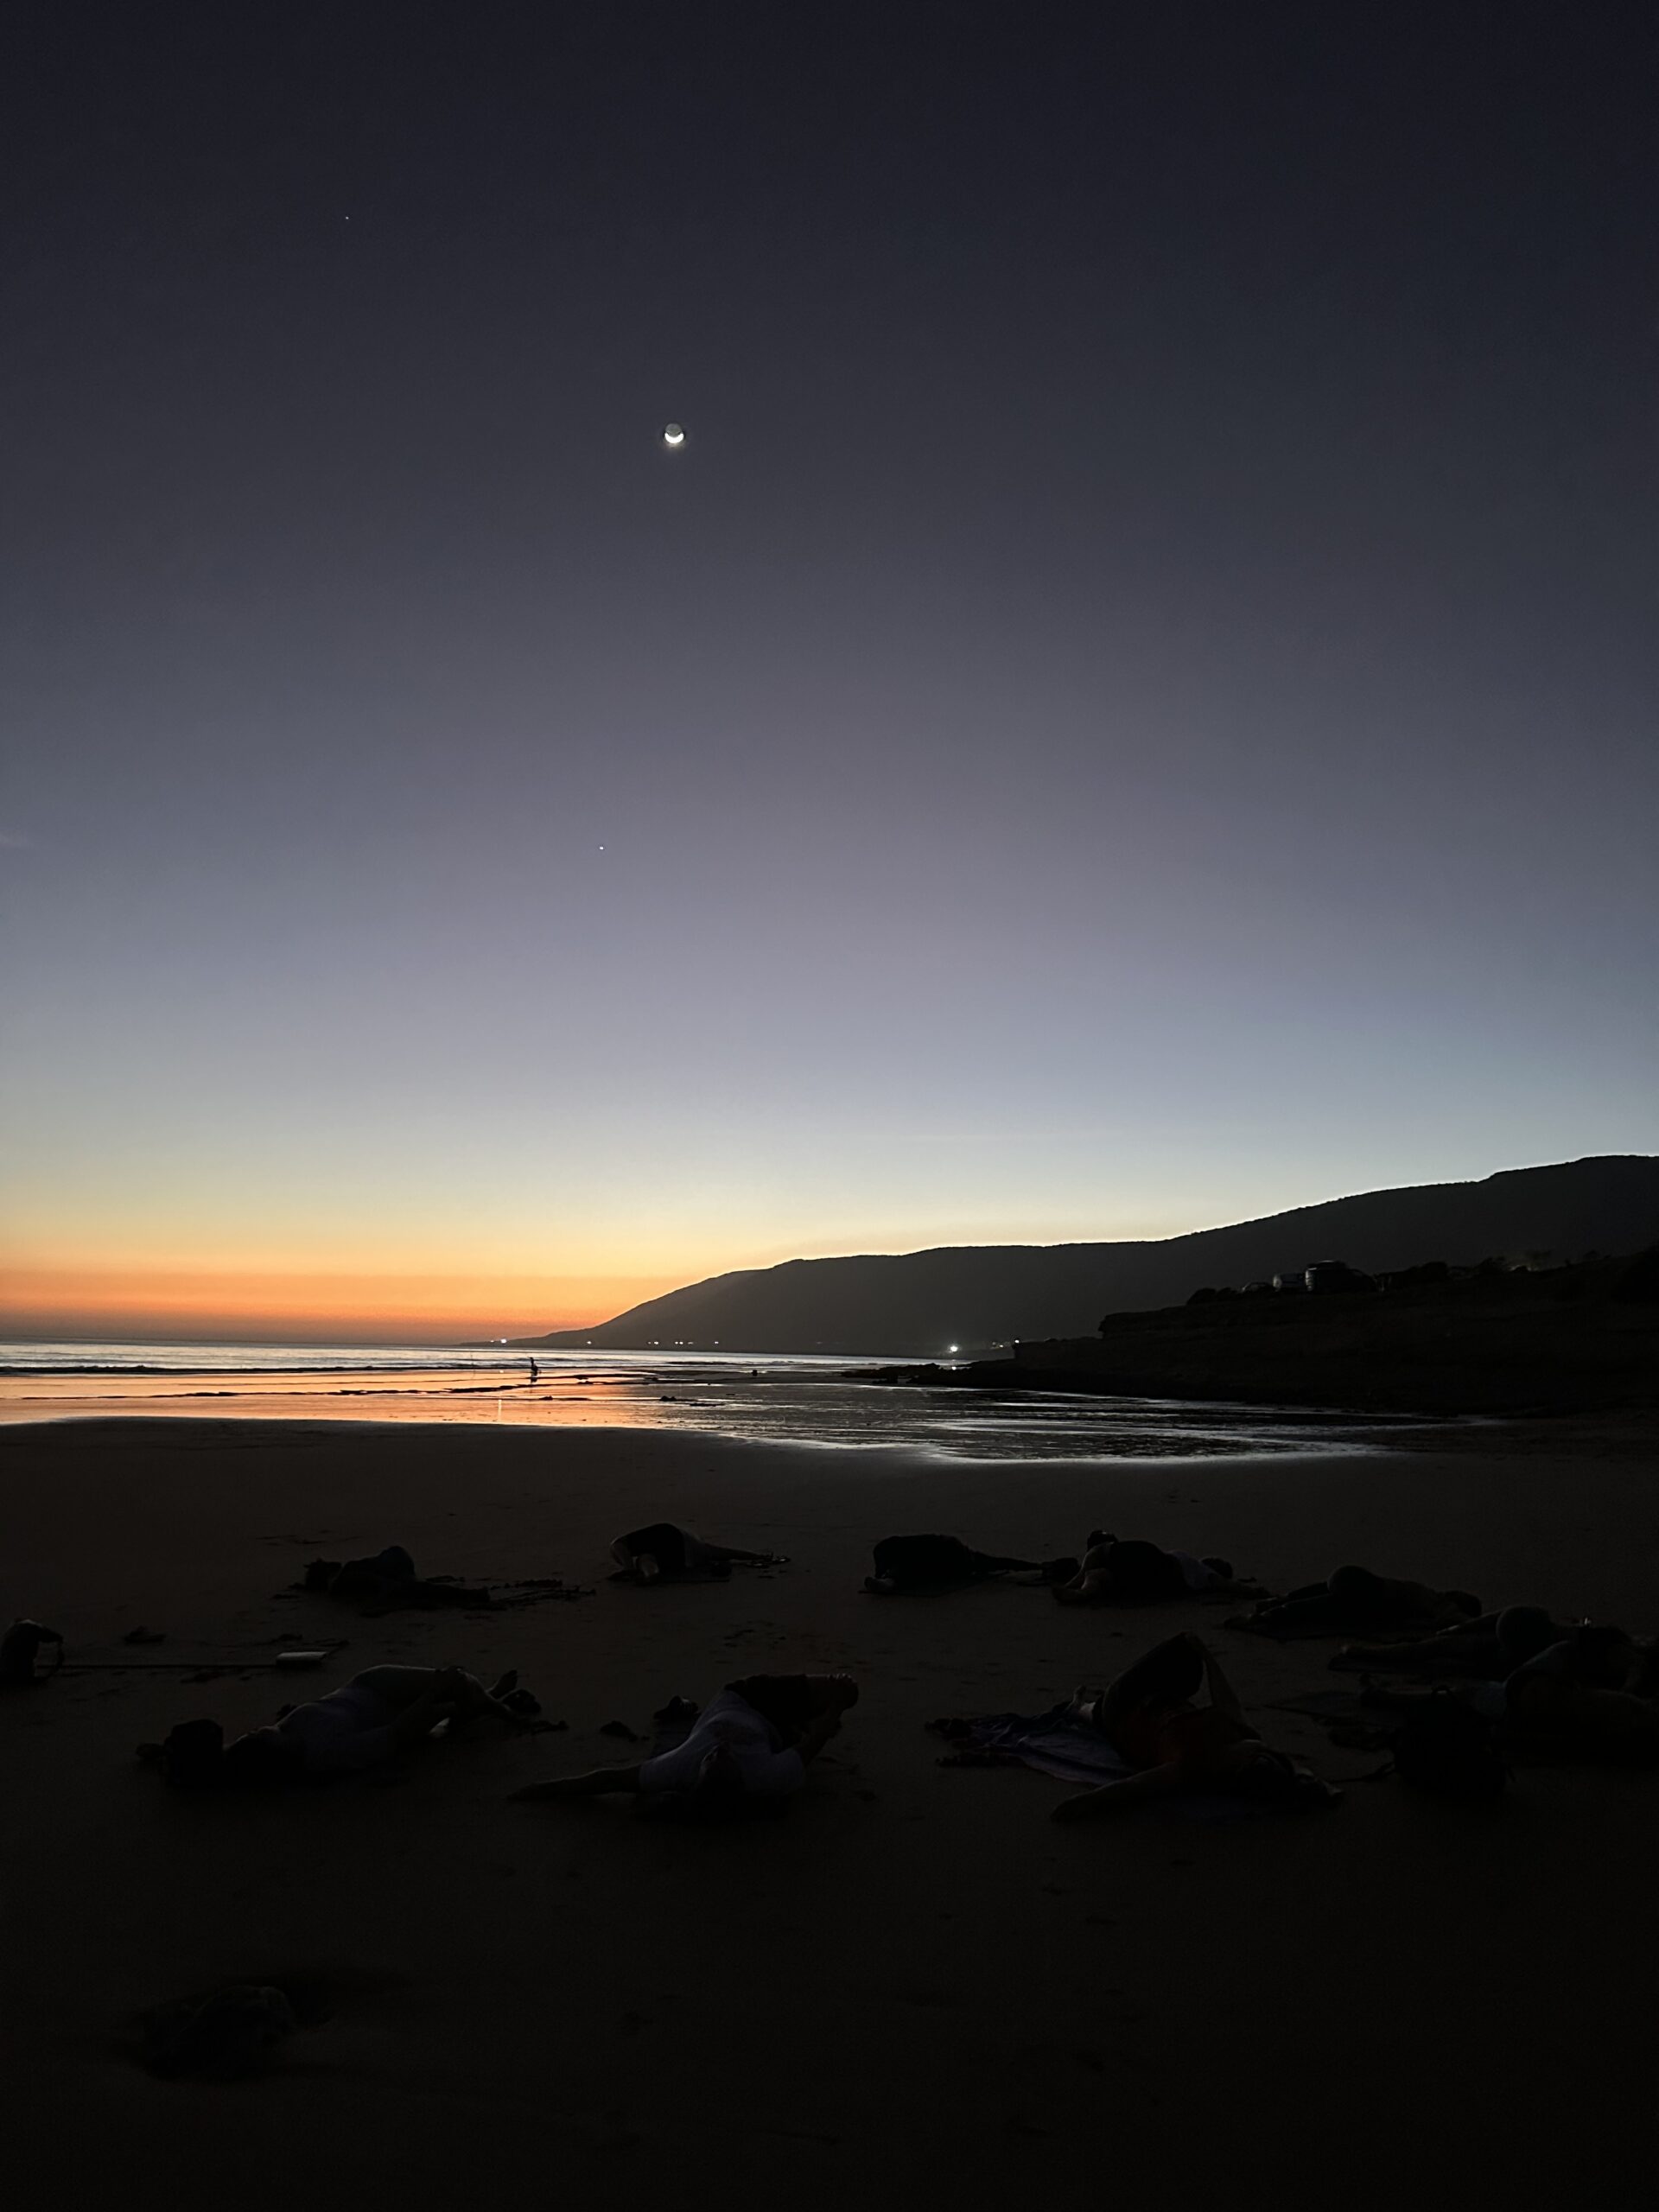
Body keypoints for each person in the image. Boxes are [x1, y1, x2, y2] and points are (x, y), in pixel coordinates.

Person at [1052, 1634, 1338, 1819]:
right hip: (1163, 1698)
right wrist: (1208, 1656)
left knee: (1182, 1649)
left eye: (1254, 1754)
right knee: (1189, 1660)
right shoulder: (1245, 1738)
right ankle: (1080, 1707)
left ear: (1239, 1765)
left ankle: (1080, 1708)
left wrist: (1078, 1806)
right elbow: (1226, 1697)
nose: (1257, 1748)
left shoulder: (1190, 1766)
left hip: (1123, 1707)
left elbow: (1129, 1788)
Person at [147, 1664, 539, 1787]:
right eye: (257, 1736)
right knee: (455, 1690)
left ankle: (488, 1699)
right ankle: (501, 1708)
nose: (254, 1730)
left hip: (366, 1687)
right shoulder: (325, 1754)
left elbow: (220, 1758)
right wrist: (430, 1693)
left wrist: (160, 1758)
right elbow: (396, 1734)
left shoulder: (258, 1750)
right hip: (394, 1713)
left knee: (458, 1693)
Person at [512, 1673, 858, 1810]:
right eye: (726, 1757)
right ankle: (800, 1716)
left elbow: (608, 1780)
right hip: (765, 1716)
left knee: (825, 1698)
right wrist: (838, 1703)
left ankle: (799, 1715)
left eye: (712, 1756)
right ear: (741, 1778)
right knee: (846, 1692)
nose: (720, 1749)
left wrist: (543, 1789)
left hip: (742, 1699)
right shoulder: (768, 1778)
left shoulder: (676, 1768)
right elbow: (815, 1744)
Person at [1230, 1566, 1482, 1639]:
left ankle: (1278, 1603)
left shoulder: (1417, 1592)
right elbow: (1451, 1616)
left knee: (1324, 1598)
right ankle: (1268, 1616)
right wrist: (1478, 1624)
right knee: (1327, 1604)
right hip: (1363, 1588)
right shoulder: (1430, 1598)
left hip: (1351, 1577)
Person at [1331, 1603, 1572, 1676]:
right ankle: (1457, 1623)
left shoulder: (1492, 1652)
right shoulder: (1564, 1637)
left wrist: (1363, 1654)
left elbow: (1420, 1651)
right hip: (1520, 1639)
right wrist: (1460, 1627)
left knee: (1439, 1646)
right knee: (1447, 1638)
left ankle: (1363, 1653)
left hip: (1503, 1655)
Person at [1053, 1534, 1267, 1606]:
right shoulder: (1199, 1577)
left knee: (1101, 1551)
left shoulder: (1205, 1573)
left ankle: (1074, 1585)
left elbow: (1229, 1585)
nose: (1212, 1557)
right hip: (1156, 1576)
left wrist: (1255, 1594)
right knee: (1099, 1575)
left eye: (1217, 1560)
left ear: (1216, 1567)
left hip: (1160, 1565)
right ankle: (1080, 1592)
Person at [863, 1534, 1077, 1594]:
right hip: (951, 1549)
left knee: (909, 1573)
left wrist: (883, 1576)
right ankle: (1040, 1566)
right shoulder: (895, 1547)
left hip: (950, 1555)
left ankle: (1040, 1567)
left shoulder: (899, 1554)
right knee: (990, 1562)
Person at [302, 1546, 494, 1611]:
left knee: (418, 1590)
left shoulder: (342, 1580)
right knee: (419, 1589)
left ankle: (470, 1596)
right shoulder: (344, 1574)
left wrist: (385, 1596)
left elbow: (374, 1580)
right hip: (396, 1558)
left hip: (393, 1564)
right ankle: (469, 1596)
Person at [609, 1523, 785, 1582]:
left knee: (645, 1559)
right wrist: (755, 1556)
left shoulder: (622, 1543)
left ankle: (650, 1575)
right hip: (684, 1540)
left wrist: (628, 1568)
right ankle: (650, 1574)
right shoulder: (695, 1545)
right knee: (715, 1553)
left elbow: (618, 1546)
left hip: (675, 1540)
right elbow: (722, 1552)